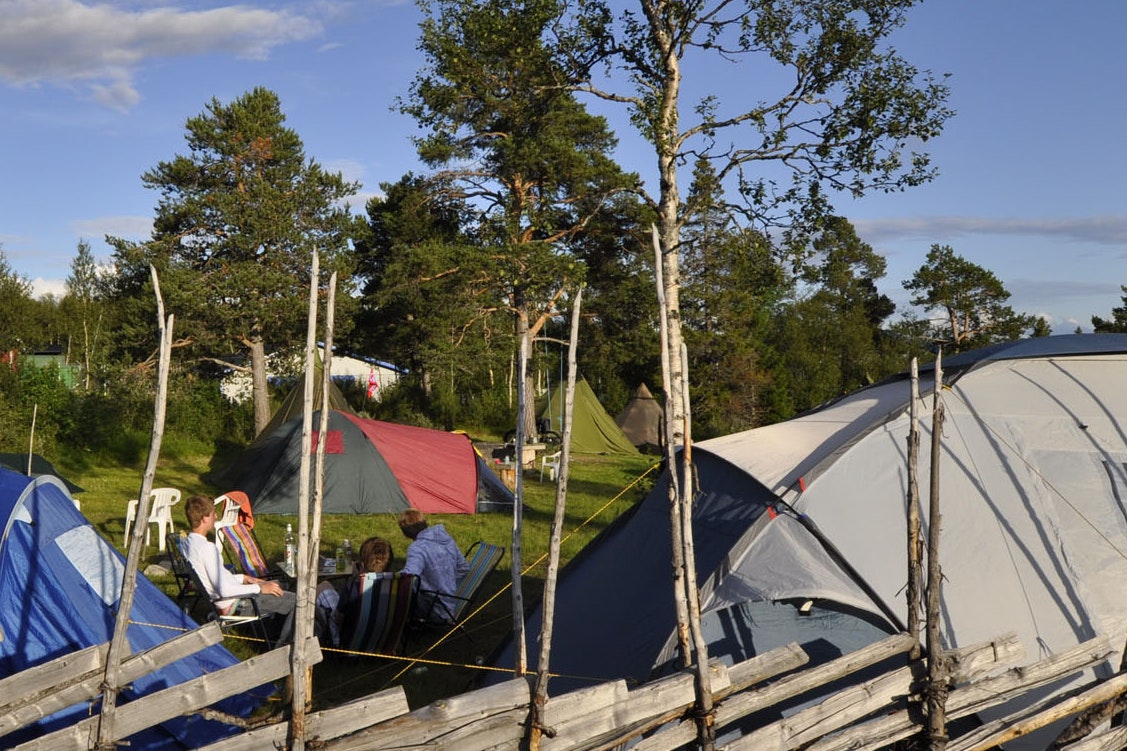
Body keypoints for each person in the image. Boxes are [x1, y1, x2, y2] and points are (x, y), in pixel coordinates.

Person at [183, 495, 296, 645]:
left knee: (281, 585)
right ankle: (284, 646)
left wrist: (244, 578)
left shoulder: (189, 543)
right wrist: (259, 588)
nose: (216, 516)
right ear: (204, 518)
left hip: (227, 598)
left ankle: (272, 632)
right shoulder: (207, 549)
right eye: (213, 513)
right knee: (299, 601)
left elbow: (214, 579)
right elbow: (224, 590)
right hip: (235, 604)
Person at [315, 536, 393, 646]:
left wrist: (357, 577)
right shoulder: (397, 585)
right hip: (383, 640)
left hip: (350, 641)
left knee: (322, 587)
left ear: (363, 564)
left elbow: (338, 618)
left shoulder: (356, 586)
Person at [397, 509, 469, 622]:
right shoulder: (446, 539)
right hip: (449, 605)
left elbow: (409, 577)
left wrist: (389, 579)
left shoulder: (417, 548)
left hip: (432, 608)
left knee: (396, 590)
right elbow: (463, 567)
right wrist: (445, 579)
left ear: (405, 532)